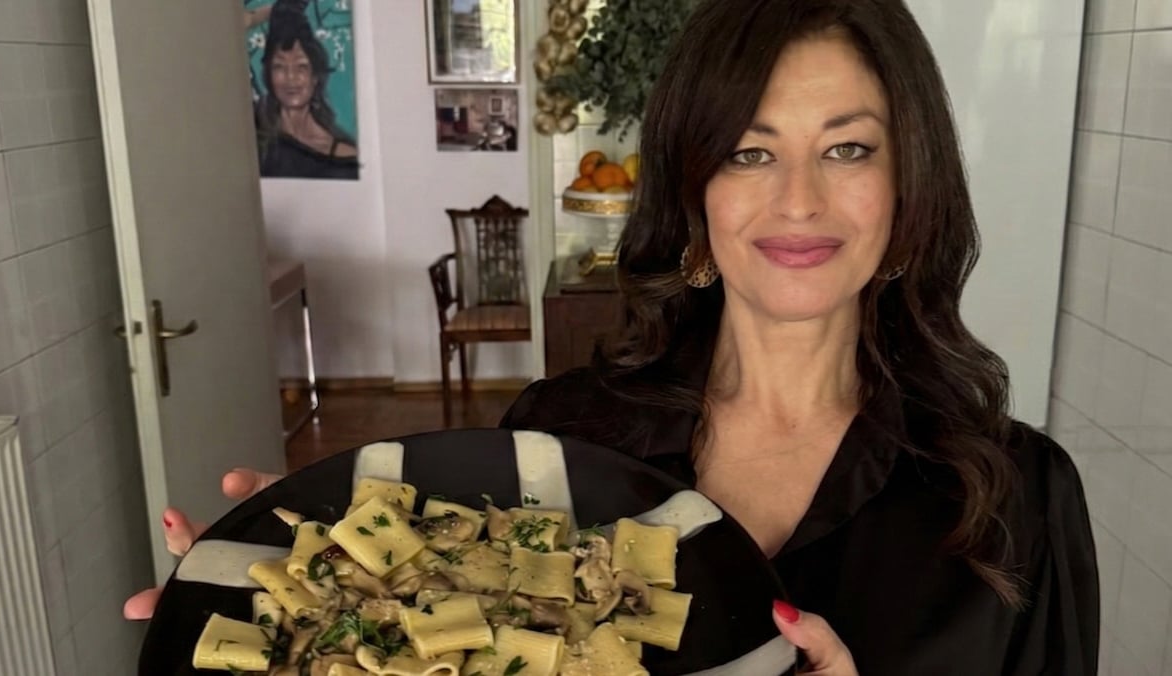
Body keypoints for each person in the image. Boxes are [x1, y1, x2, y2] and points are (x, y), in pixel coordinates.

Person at [125, 0, 1099, 673]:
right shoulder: (560, 437)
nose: (799, 199)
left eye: (847, 148)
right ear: (693, 191)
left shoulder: (1017, 501)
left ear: (909, 183)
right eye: (748, 152)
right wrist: (328, 593)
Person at [252, 0, 359, 179]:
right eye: (279, 67)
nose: (290, 77)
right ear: (268, 74)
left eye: (301, 67)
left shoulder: (343, 158)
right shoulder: (256, 139)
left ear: (315, 77)